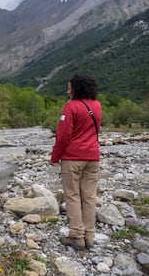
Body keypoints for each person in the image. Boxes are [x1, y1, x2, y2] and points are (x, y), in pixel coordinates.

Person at [51, 74, 102, 250]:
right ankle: (89, 237)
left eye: (69, 86)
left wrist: (55, 156)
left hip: (73, 157)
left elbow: (63, 135)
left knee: (72, 196)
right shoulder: (97, 105)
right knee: (89, 197)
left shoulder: (70, 106)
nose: (68, 89)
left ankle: (76, 236)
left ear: (76, 88)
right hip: (93, 157)